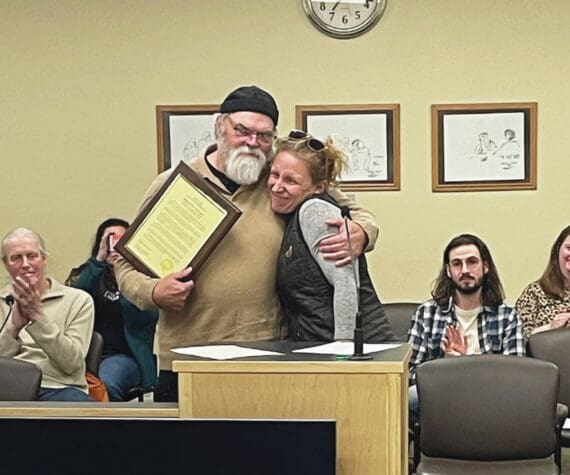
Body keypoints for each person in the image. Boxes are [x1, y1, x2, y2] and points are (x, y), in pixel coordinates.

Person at [115, 85, 379, 402]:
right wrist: (153, 292)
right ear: (219, 127)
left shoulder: (279, 178)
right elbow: (124, 261)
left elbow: (357, 213)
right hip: (188, 357)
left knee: (266, 450)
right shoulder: (175, 183)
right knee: (189, 452)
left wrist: (362, 233)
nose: (252, 142)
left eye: (264, 135)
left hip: (269, 351)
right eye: (242, 130)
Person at [270, 130, 393, 342]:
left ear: (319, 187)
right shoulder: (295, 211)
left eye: (290, 180)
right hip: (321, 345)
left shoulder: (315, 211)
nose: (277, 186)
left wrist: (343, 355)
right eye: (274, 174)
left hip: (353, 354)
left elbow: (346, 284)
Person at [407, 233, 525, 423]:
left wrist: (466, 367)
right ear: (448, 271)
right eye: (457, 264)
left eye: (472, 262)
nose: (465, 270)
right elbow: (410, 373)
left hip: (491, 396)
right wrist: (445, 365)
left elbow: (516, 375)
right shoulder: (426, 313)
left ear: (485, 267)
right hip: (441, 395)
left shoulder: (507, 317)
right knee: (407, 397)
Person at [66, 218, 159, 401]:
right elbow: (75, 300)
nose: (114, 246)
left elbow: (146, 316)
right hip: (83, 356)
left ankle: (111, 428)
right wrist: (99, 260)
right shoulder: (87, 273)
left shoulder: (142, 279)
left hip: (125, 357)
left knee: (107, 384)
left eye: (121, 240)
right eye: (109, 240)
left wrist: (124, 272)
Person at [0, 228, 94, 401]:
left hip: (57, 387)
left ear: (44, 259)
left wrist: (38, 319)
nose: (25, 264)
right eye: (16, 258)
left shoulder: (78, 300)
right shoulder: (2, 301)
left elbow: (72, 364)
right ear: (6, 264)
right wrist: (12, 329)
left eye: (32, 256)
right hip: (7, 388)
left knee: (84, 412)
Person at [515, 225, 570, 337]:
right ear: (558, 249)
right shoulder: (535, 292)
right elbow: (517, 337)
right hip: (546, 354)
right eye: (569, 248)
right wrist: (551, 327)